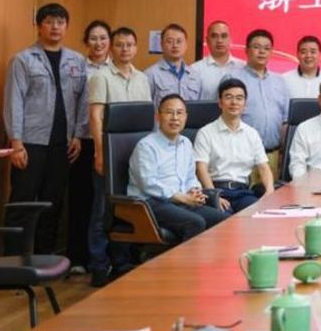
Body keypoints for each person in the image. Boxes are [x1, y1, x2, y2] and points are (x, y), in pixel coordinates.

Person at [3, 3, 88, 255]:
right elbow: (13, 102)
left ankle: (45, 258)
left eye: (60, 22)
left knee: (53, 203)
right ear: (39, 26)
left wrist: (78, 135)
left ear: (67, 27)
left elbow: (83, 101)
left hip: (63, 144)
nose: (55, 27)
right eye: (49, 21)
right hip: (30, 143)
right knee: (22, 202)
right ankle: (13, 261)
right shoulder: (23, 60)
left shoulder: (77, 61)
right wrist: (16, 143)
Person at [87, 26, 152, 287]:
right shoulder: (101, 77)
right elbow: (95, 117)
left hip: (134, 154)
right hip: (109, 152)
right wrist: (99, 152)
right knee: (102, 211)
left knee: (127, 208)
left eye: (129, 44)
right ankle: (99, 265)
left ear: (136, 48)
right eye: (119, 44)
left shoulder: (142, 78)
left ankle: (122, 263)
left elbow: (145, 119)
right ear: (111, 48)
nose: (125, 49)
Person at [127, 94, 227, 242]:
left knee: (223, 220)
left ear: (186, 117)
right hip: (151, 203)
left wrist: (195, 191)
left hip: (180, 201)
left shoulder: (186, 143)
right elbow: (148, 184)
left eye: (179, 113)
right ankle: (186, 258)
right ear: (158, 116)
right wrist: (182, 197)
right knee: (195, 222)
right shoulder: (146, 146)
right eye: (169, 112)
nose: (175, 118)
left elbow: (190, 176)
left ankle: (209, 258)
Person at [67, 20, 111, 274]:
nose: (98, 43)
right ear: (86, 42)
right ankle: (77, 257)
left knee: (104, 202)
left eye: (103, 38)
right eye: (93, 38)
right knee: (81, 198)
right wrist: (74, 134)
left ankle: (104, 256)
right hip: (82, 139)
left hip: (108, 141)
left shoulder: (116, 68)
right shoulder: (77, 69)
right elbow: (71, 105)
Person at [194, 78, 274, 212]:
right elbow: (201, 169)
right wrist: (214, 196)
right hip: (217, 190)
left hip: (243, 193)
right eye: (228, 97)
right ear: (220, 103)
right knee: (224, 218)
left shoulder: (252, 133)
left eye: (239, 98)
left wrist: (270, 192)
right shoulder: (205, 132)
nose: (234, 102)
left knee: (257, 214)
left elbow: (263, 167)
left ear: (245, 104)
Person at [229, 29, 289, 172]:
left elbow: (285, 120)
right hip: (242, 155)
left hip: (272, 155)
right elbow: (227, 117)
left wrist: (283, 152)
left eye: (266, 48)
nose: (262, 52)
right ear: (246, 50)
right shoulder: (233, 78)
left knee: (271, 187)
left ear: (271, 52)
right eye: (257, 47)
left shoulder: (280, 81)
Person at [145, 23, 201, 106]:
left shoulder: (194, 76)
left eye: (179, 41)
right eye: (170, 41)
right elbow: (146, 108)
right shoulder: (150, 74)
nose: (175, 45)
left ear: (186, 45)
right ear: (161, 45)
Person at [190, 20, 243, 101]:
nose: (219, 41)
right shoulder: (195, 70)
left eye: (224, 36)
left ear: (230, 39)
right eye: (214, 36)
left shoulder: (242, 67)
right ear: (207, 40)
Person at [283, 35, 321, 99]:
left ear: (320, 55)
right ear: (297, 55)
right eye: (303, 52)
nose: (308, 55)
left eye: (313, 52)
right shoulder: (284, 80)